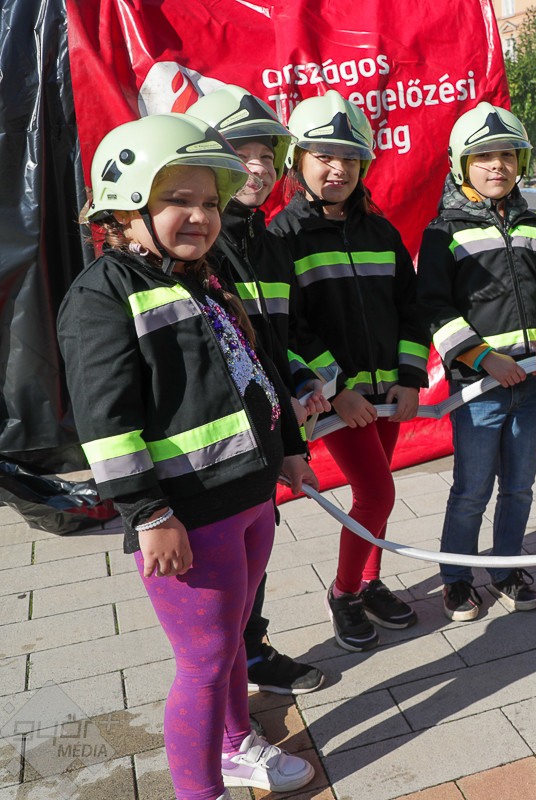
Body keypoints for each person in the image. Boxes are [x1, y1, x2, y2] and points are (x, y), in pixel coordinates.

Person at [58, 113, 317, 800]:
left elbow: (257, 368)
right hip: (188, 516)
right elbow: (107, 426)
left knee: (231, 643)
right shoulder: (102, 295)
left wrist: (288, 450)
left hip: (250, 497)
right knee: (203, 665)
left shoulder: (204, 277)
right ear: (125, 206)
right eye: (178, 200)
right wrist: (149, 514)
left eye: (208, 201)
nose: (200, 216)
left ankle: (235, 746)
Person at [269, 90, 430, 651]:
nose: (338, 168)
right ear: (297, 160)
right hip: (340, 403)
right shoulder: (282, 237)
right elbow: (290, 328)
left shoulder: (381, 232)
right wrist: (336, 392)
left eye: (351, 157)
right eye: (324, 156)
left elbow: (411, 309)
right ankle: (343, 593)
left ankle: (369, 581)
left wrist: (409, 377)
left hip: (385, 395)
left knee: (376, 494)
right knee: (377, 494)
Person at [189, 84, 329, 695]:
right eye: (240, 155)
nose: (258, 168)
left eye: (267, 157)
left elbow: (272, 339)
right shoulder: (198, 248)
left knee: (255, 553)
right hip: (220, 448)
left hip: (266, 432)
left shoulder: (267, 244)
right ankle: (228, 667)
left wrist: (300, 377)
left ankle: (248, 651)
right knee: (228, 567)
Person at [417, 103, 536, 621]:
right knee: (472, 490)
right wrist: (484, 358)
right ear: (461, 165)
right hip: (479, 388)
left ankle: (505, 570)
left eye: (506, 155)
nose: (497, 165)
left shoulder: (535, 227)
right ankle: (456, 580)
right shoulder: (443, 232)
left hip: (532, 382)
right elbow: (433, 308)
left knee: (520, 487)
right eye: (483, 157)